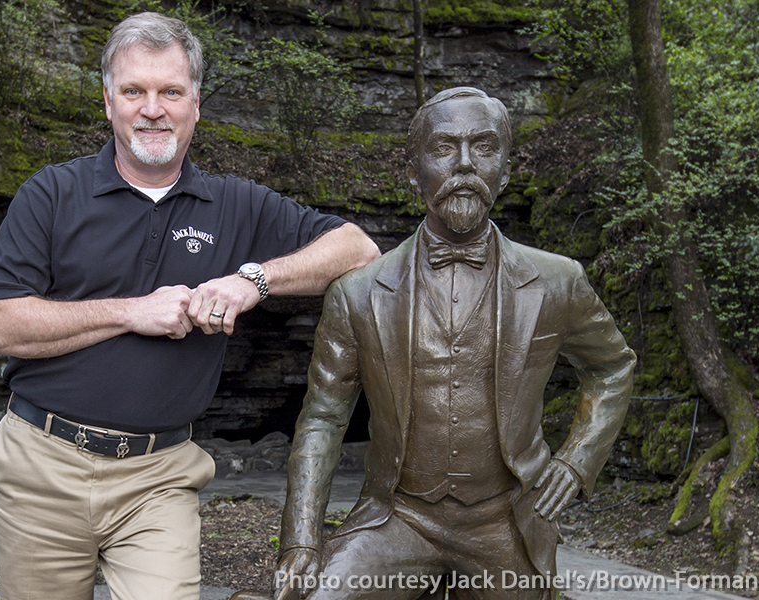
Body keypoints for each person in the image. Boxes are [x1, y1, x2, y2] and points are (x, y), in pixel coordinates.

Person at [0, 12, 379, 600]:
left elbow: (359, 249)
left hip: (159, 476)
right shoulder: (51, 195)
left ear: (195, 105)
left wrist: (253, 280)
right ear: (108, 102)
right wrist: (132, 311)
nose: (152, 108)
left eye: (170, 91)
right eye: (134, 91)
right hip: (40, 466)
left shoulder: (236, 204)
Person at [271, 88, 636, 600]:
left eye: (484, 147)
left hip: (504, 521)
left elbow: (613, 367)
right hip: (397, 519)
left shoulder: (558, 282)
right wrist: (301, 542)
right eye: (444, 148)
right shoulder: (357, 294)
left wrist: (577, 459)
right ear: (415, 170)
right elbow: (324, 418)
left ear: (505, 169)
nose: (465, 165)